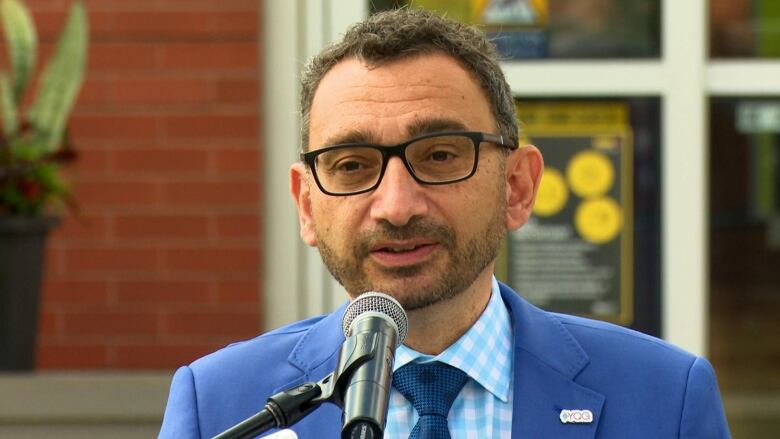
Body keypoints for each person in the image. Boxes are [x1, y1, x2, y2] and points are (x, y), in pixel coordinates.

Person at [160, 8, 730, 438]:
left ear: (517, 187)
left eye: (439, 156)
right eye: (352, 165)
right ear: (307, 204)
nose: (397, 205)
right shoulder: (221, 405)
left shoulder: (664, 399)